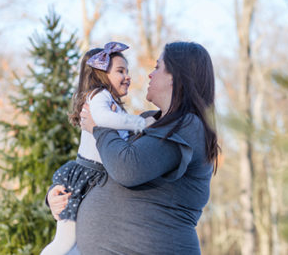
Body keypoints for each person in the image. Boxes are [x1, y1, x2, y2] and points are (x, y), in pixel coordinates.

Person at [47, 41, 220, 254]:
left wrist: (100, 127)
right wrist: (58, 193)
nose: (150, 74)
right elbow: (98, 167)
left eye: (158, 67)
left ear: (175, 77)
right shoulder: (147, 122)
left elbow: (127, 168)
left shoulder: (187, 126)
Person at [42, 42, 155, 255]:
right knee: (65, 242)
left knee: (78, 246)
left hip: (97, 177)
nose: (127, 76)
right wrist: (140, 124)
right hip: (87, 175)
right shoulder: (98, 95)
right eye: (120, 71)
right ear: (101, 75)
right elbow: (102, 119)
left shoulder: (111, 103)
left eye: (127, 71)